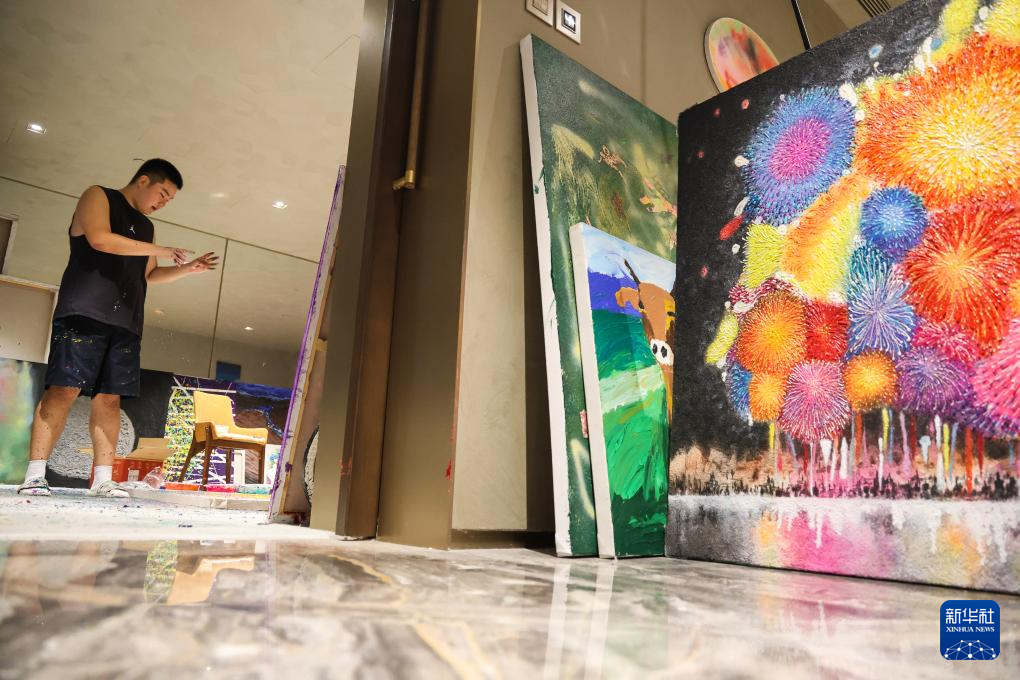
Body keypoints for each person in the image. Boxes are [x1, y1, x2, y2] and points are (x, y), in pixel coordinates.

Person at [17, 159, 218, 498]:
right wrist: (162, 249)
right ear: (144, 180)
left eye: (169, 200)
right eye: (162, 194)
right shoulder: (99, 196)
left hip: (126, 323)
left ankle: (102, 480)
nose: (163, 203)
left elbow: (148, 275)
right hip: (84, 312)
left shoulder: (147, 227)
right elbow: (100, 239)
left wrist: (188, 269)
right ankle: (35, 475)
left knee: (110, 399)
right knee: (63, 390)